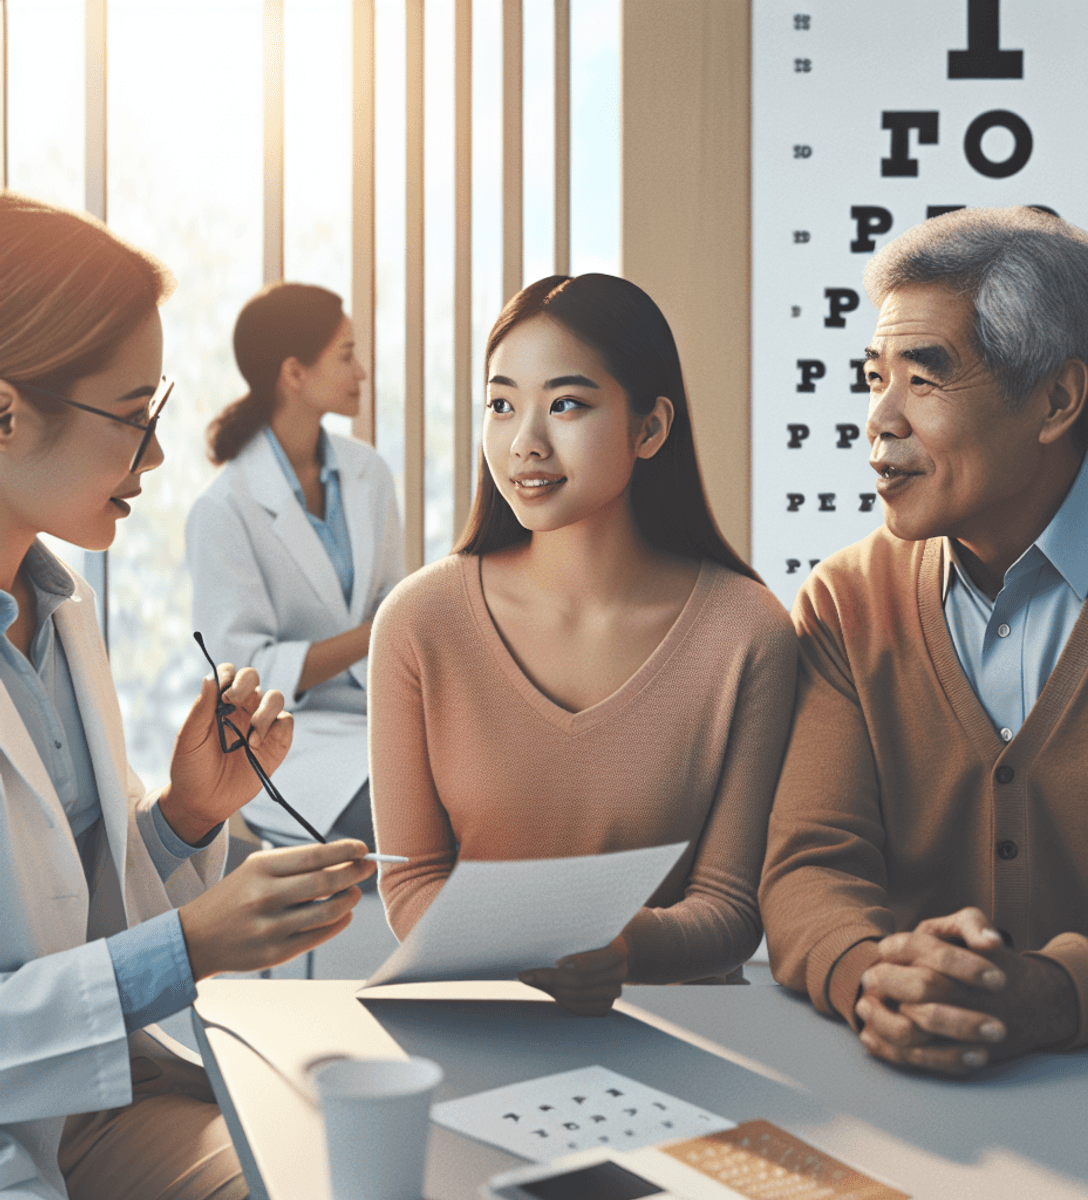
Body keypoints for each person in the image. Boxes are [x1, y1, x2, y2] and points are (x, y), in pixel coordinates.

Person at [759, 205, 1088, 1074]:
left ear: (1056, 400)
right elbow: (811, 869)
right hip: (903, 1100)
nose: (879, 419)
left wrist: (1045, 994)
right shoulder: (846, 601)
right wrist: (875, 979)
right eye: (873, 377)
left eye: (923, 381)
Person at [0, 192, 376, 1200]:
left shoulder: (56, 612)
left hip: (98, 1105)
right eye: (134, 418)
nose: (157, 455)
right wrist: (191, 943)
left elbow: (69, 903)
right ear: (2, 411)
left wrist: (183, 818)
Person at [369, 273, 797, 1015]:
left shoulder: (748, 631)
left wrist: (622, 948)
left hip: (686, 1038)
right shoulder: (418, 622)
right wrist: (527, 956)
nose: (525, 442)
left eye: (566, 404)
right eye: (502, 405)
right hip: (481, 1025)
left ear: (650, 428)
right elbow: (410, 882)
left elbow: (731, 908)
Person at [187, 283, 402, 849]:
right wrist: (378, 633)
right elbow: (244, 672)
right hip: (282, 740)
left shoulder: (369, 474)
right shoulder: (223, 507)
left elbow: (391, 599)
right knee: (422, 823)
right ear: (295, 373)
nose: (361, 372)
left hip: (381, 718)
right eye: (347, 355)